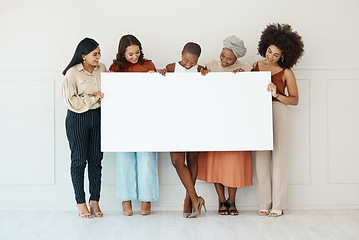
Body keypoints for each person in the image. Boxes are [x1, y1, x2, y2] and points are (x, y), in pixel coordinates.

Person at [197, 36, 253, 216]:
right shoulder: (210, 64)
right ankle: (221, 200)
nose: (224, 60)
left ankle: (232, 200)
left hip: (237, 123)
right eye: (222, 56)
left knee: (234, 163)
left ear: (237, 58)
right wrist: (201, 73)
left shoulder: (247, 68)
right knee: (216, 163)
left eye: (229, 59)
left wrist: (246, 78)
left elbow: (251, 94)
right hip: (215, 122)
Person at [253, 23, 304, 217]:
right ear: (265, 47)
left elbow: (295, 100)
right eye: (269, 51)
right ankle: (264, 203)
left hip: (278, 111)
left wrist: (276, 95)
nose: (270, 56)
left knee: (280, 156)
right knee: (261, 158)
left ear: (284, 55)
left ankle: (279, 204)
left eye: (276, 54)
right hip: (259, 113)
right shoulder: (256, 66)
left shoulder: (287, 72)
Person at [109, 34, 158, 216]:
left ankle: (146, 200)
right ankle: (126, 200)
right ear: (122, 53)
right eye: (130, 54)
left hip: (146, 120)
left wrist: (155, 79)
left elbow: (158, 93)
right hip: (122, 121)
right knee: (124, 161)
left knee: (146, 160)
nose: (135, 57)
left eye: (137, 52)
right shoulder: (115, 68)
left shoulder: (148, 66)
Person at [159, 42, 206, 218]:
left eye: (193, 62)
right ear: (181, 55)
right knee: (177, 161)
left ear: (198, 60)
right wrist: (162, 73)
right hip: (175, 121)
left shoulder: (201, 70)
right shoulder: (172, 68)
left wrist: (205, 74)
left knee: (192, 160)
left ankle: (189, 200)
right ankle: (196, 198)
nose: (188, 65)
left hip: (196, 121)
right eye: (186, 60)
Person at [62, 37, 106, 218]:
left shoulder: (102, 69)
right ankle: (80, 203)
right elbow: (70, 101)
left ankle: (94, 201)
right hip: (77, 118)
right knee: (79, 161)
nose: (99, 56)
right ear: (83, 55)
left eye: (99, 52)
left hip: (98, 117)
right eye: (95, 53)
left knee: (96, 161)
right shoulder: (72, 73)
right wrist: (93, 98)